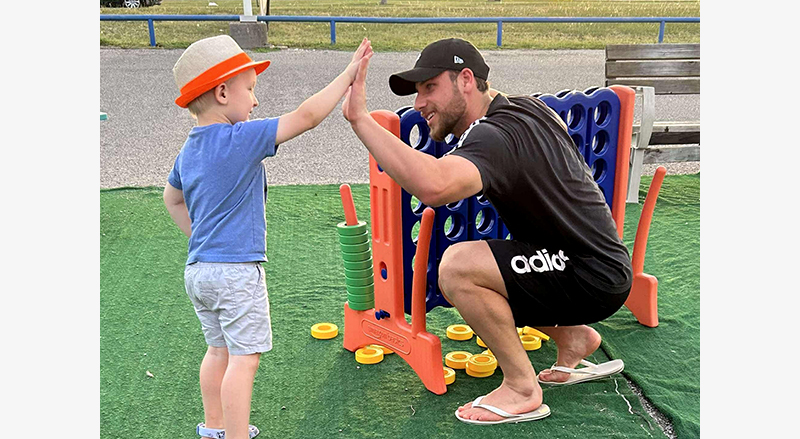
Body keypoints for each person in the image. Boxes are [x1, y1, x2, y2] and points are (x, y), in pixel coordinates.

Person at [342, 38, 632, 425]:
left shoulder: (493, 135)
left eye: (430, 87)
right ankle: (573, 338)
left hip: (589, 274)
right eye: (417, 92)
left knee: (457, 268)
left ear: (466, 80)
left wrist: (360, 119)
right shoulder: (525, 107)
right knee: (482, 270)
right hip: (593, 263)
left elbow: (435, 186)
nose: (419, 103)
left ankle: (522, 388)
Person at [164, 35, 372, 439]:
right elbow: (306, 117)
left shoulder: (187, 151)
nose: (255, 101)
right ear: (222, 92)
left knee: (218, 351)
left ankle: (214, 428)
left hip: (199, 272)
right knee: (245, 359)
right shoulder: (240, 139)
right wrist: (348, 75)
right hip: (236, 274)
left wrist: (201, 237)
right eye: (250, 89)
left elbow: (171, 199)